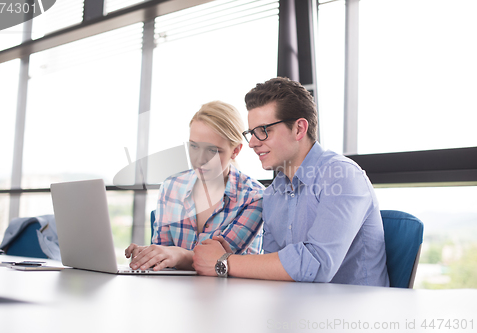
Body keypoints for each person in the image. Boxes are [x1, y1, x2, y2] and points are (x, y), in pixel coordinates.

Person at [193, 78, 390, 286]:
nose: (252, 143)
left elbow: (316, 265)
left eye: (263, 130)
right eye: (251, 133)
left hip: (353, 312)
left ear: (299, 129)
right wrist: (231, 258)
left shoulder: (342, 175)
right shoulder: (273, 194)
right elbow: (277, 274)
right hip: (300, 309)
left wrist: (226, 262)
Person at [125, 101, 264, 272]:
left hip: (231, 293)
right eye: (194, 146)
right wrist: (149, 255)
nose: (200, 159)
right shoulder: (171, 187)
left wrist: (177, 255)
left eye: (213, 150)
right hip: (176, 293)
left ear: (235, 150)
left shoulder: (254, 197)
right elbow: (163, 253)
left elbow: (221, 261)